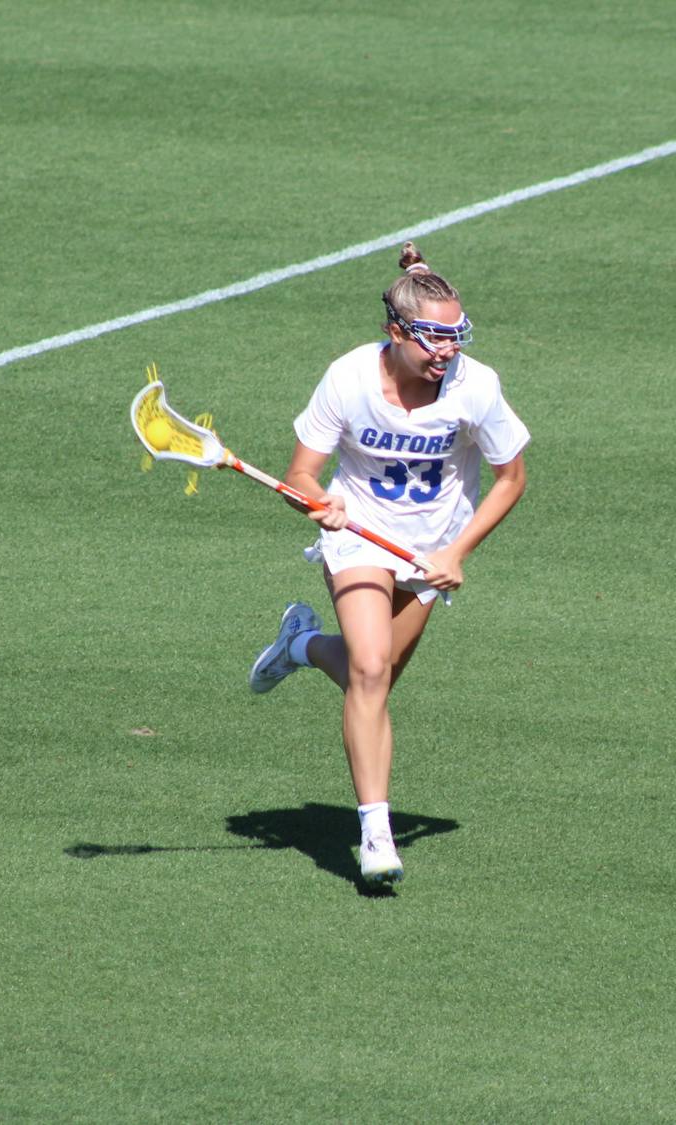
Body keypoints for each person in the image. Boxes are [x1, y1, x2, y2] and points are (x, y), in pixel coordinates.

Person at [246, 242, 530, 885]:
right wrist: (317, 504)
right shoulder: (347, 378)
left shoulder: (475, 387)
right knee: (371, 671)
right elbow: (301, 475)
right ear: (396, 332)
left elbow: (510, 478)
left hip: (429, 550)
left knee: (368, 681)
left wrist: (457, 552)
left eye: (455, 337)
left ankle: (301, 646)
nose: (446, 352)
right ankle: (375, 831)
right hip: (359, 541)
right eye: (432, 339)